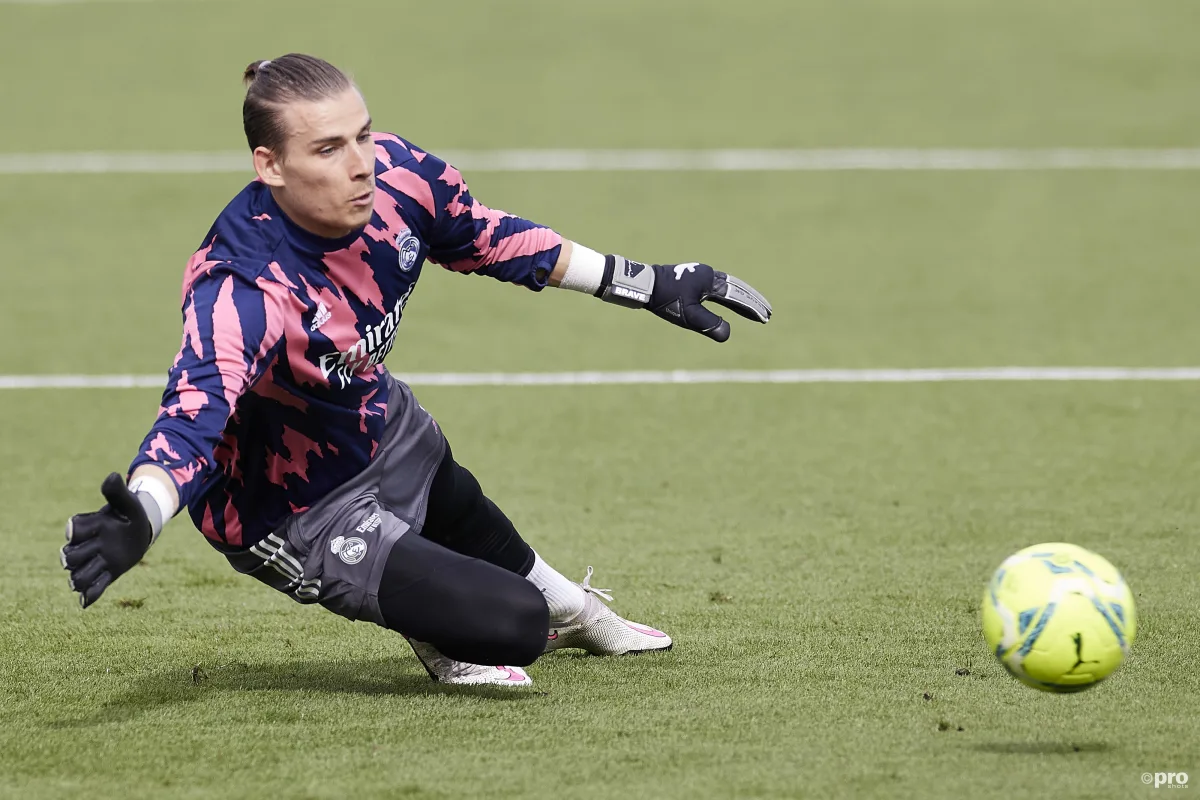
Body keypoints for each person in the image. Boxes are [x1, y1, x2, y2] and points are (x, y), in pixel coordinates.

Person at [59, 53, 772, 687]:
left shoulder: (398, 178)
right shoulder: (243, 290)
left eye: (362, 134)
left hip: (375, 422)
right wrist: (145, 516)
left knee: (465, 509)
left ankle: (574, 607)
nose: (361, 162)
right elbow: (192, 416)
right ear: (269, 165)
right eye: (329, 148)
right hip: (295, 509)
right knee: (516, 629)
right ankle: (444, 628)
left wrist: (644, 282)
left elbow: (488, 238)